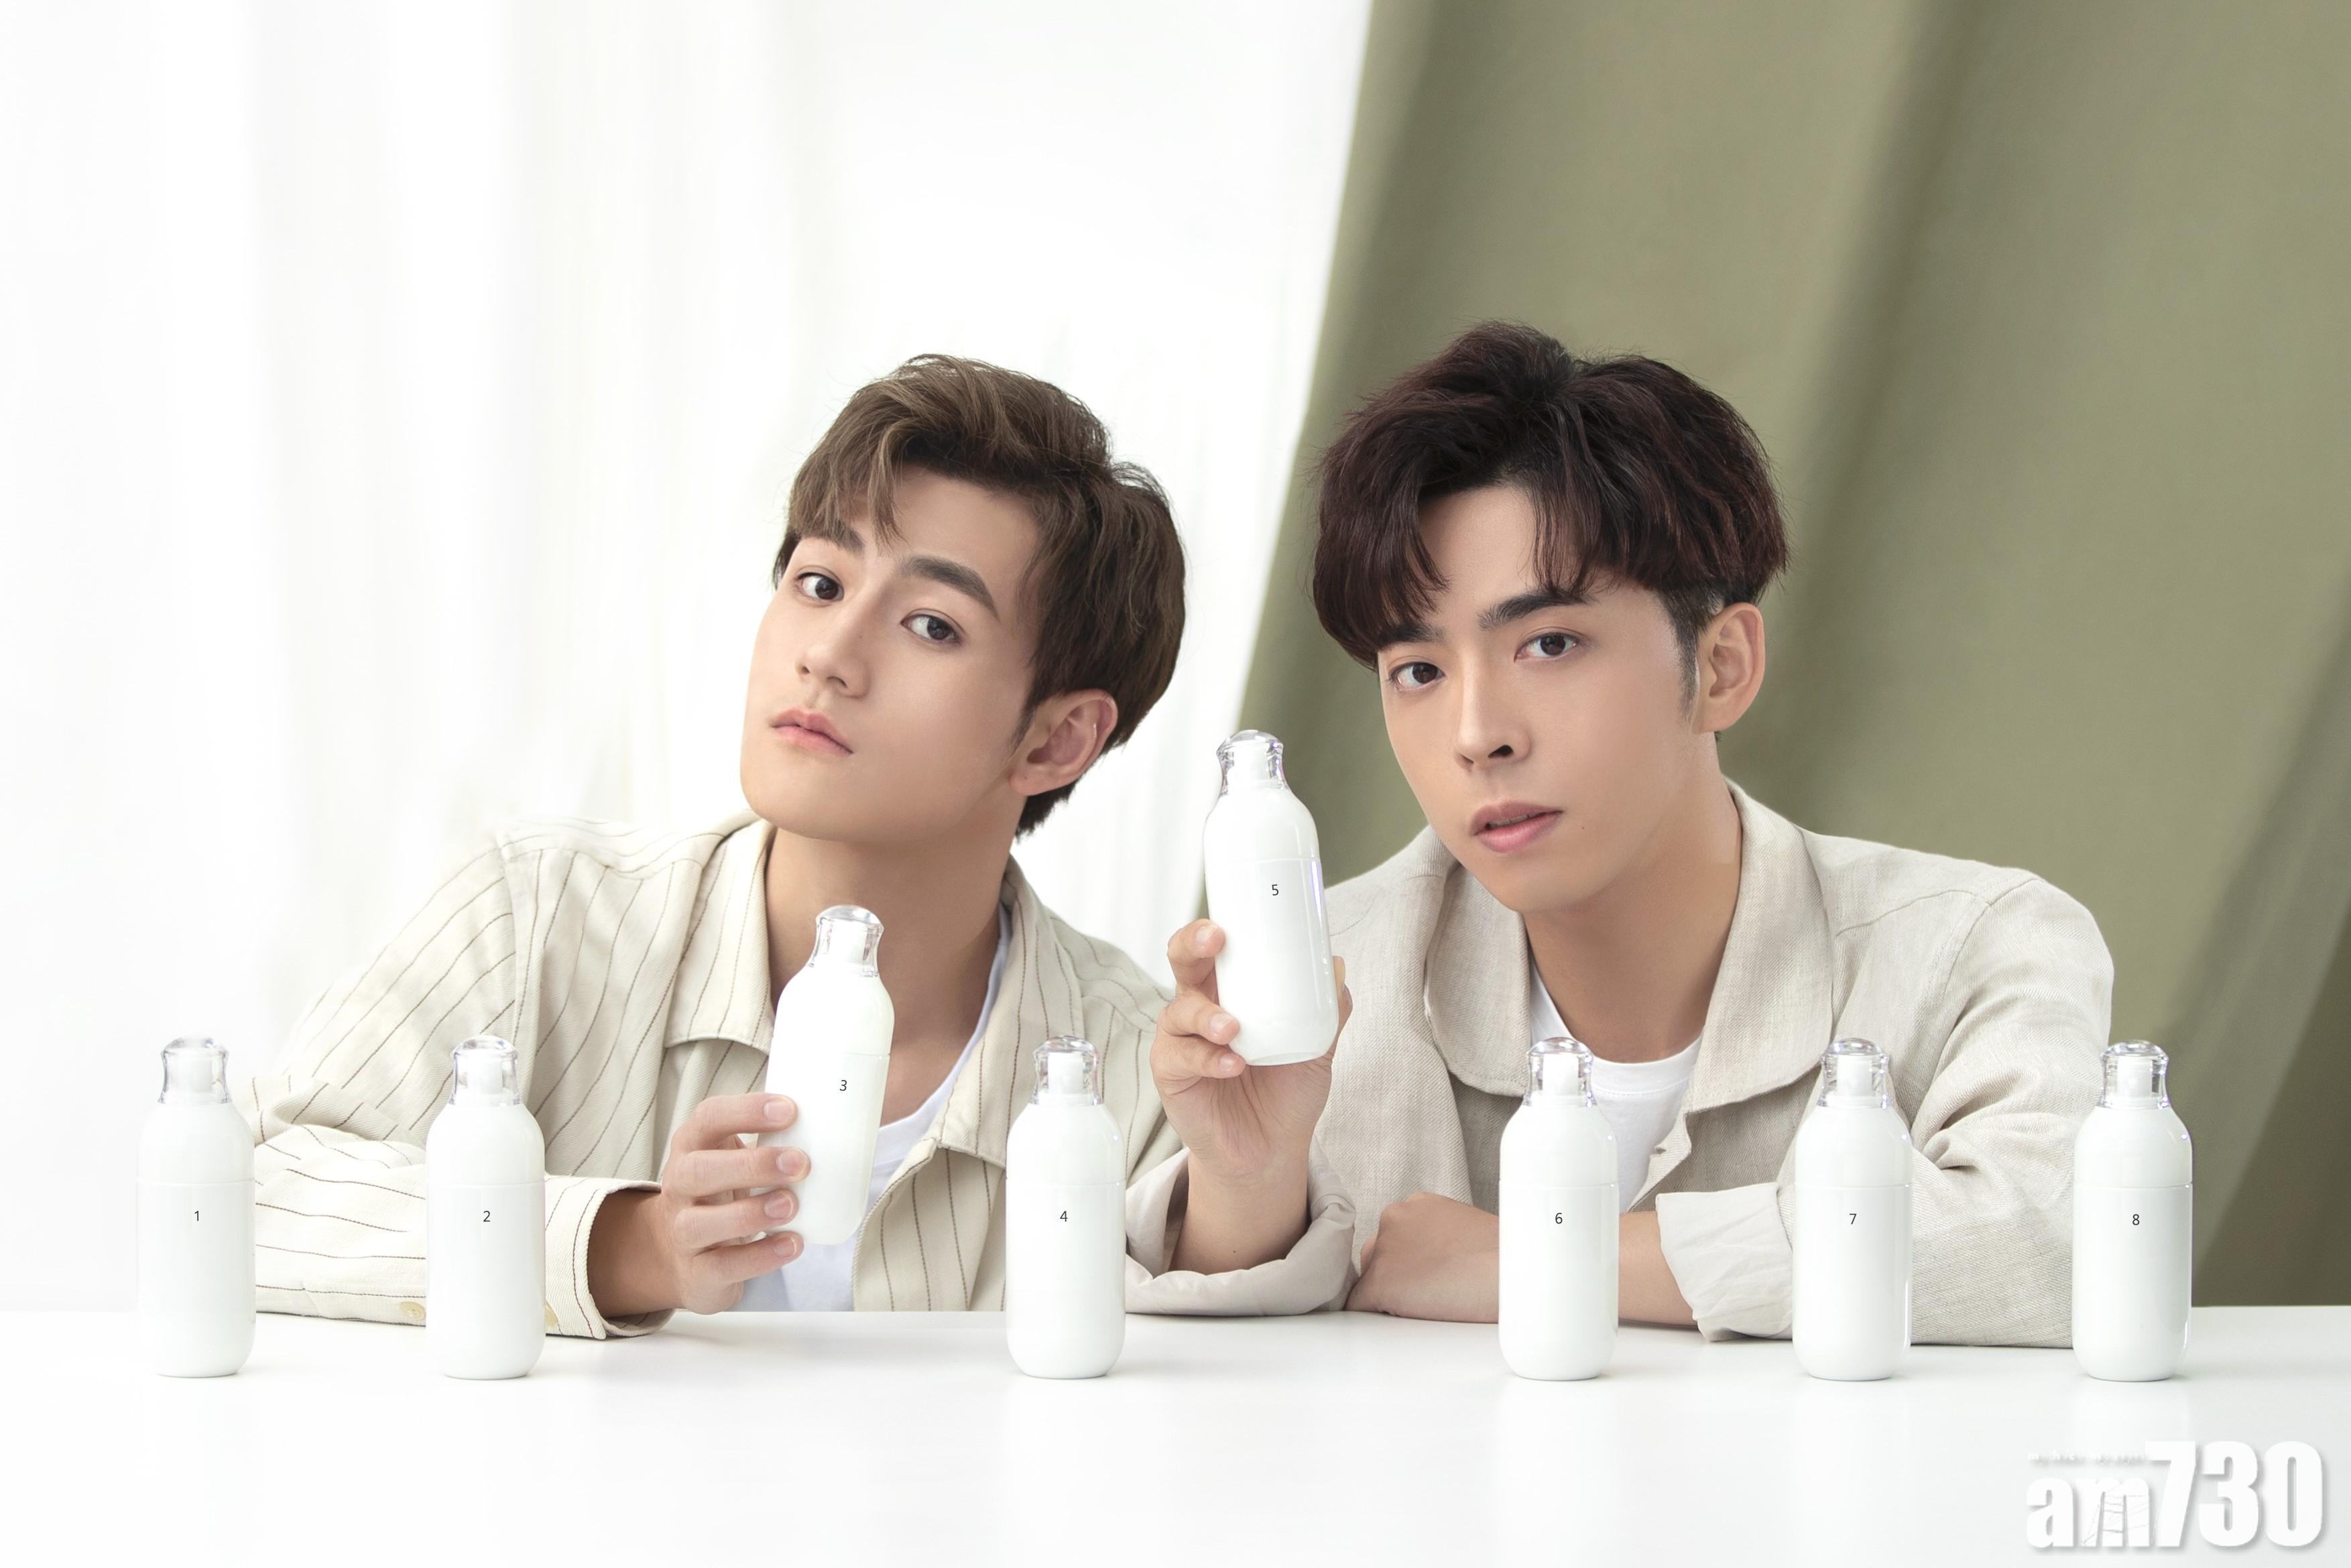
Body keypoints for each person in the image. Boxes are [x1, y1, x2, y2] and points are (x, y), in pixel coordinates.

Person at [243, 353, 1353, 1337]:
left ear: (1057, 739)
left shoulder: (1139, 1074)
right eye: (819, 582)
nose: (828, 652)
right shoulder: (534, 914)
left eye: (931, 625)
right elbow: (252, 1189)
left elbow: (1222, 1427)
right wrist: (627, 1245)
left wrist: (1248, 1181)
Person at [1152, 321, 2109, 1345]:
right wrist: (1247, 1178)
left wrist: (1540, 1261)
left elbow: (2067, 1239)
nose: (1477, 735)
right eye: (1419, 671)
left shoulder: (1973, 948)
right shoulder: (1321, 978)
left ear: (1722, 667)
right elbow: (1215, 1406)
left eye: (1550, 644)